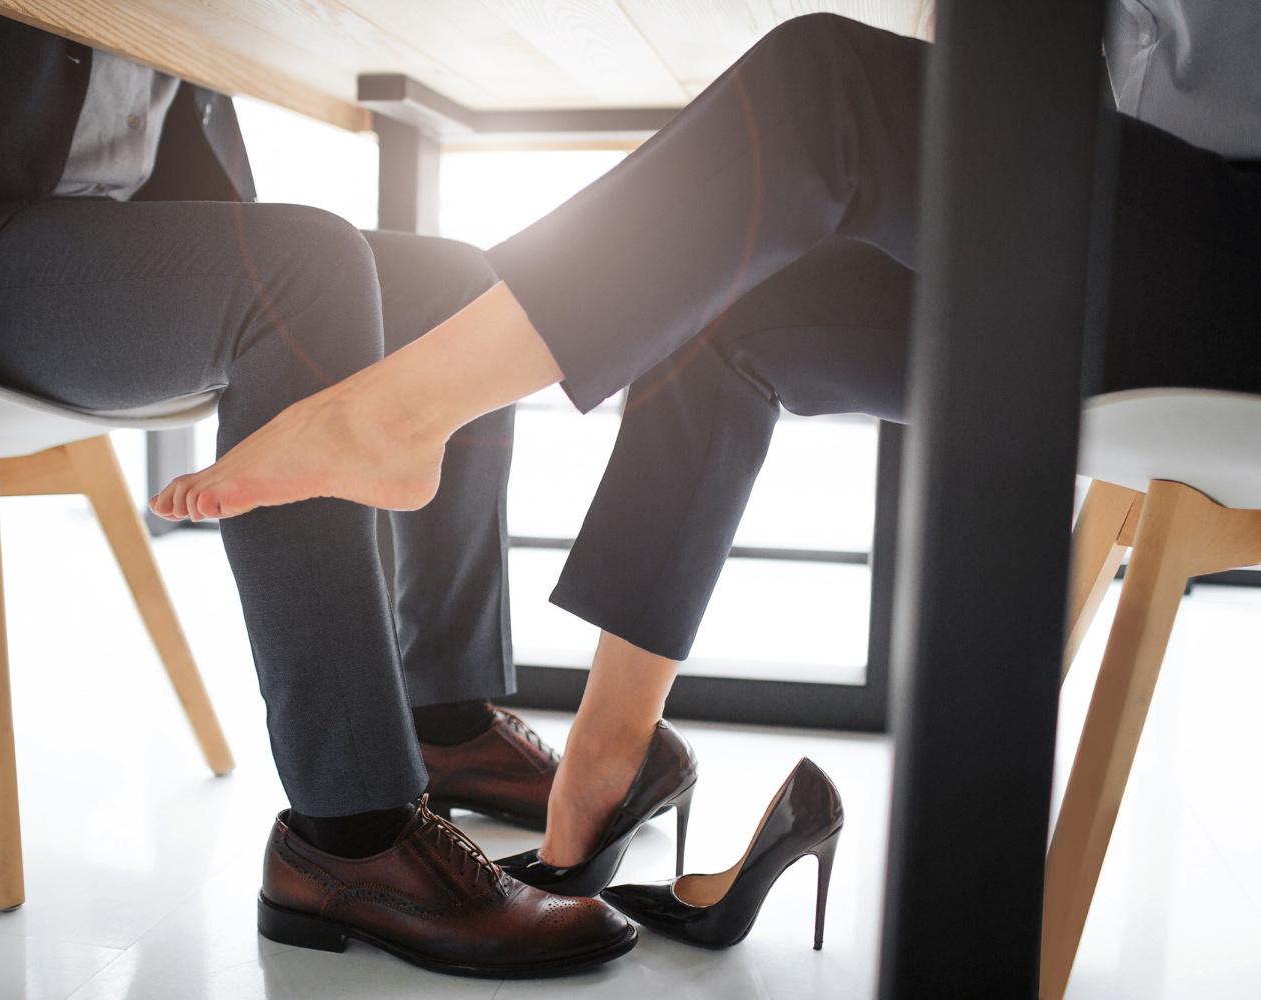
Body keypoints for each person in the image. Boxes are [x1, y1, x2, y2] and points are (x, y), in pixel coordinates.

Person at [149, 3, 1261, 902]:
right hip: (1122, 238)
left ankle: (398, 416)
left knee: (822, 85)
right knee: (726, 297)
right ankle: (609, 758)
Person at [0, 0, 638, 977]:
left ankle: (441, 721)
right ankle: (348, 831)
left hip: (112, 229)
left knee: (460, 289)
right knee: (303, 272)